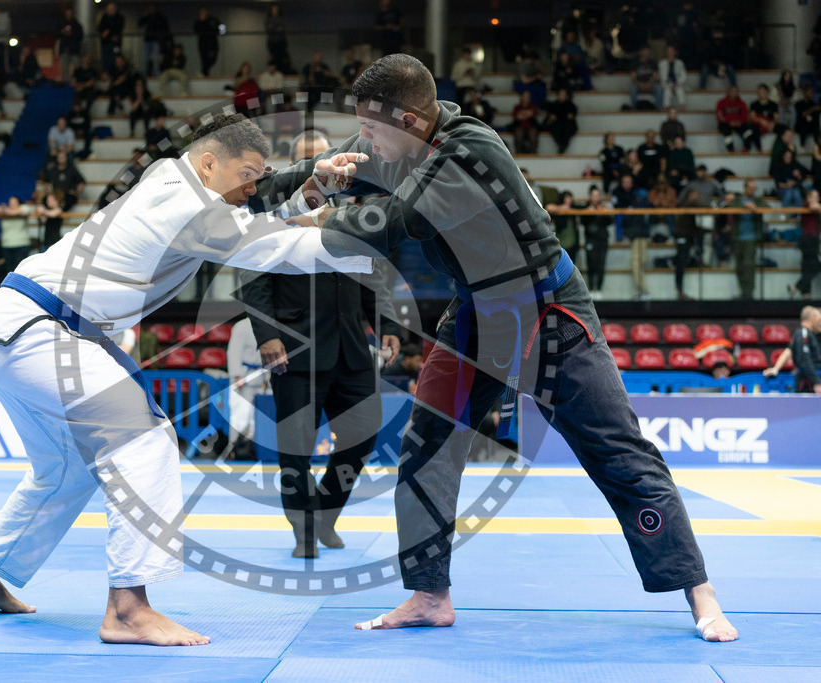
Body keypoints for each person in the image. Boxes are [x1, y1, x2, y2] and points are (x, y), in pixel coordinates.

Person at [268, 54, 737, 641]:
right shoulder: (400, 140)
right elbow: (342, 165)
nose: (361, 138)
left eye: (369, 127)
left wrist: (297, 227)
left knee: (617, 451)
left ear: (410, 119)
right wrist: (293, 180)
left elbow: (391, 221)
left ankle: (700, 592)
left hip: (544, 312)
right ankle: (429, 594)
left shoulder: (469, 153)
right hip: (474, 314)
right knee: (427, 447)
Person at [0, 113, 372, 645]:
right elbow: (268, 246)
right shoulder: (181, 202)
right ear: (210, 162)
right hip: (42, 329)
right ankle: (127, 609)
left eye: (259, 177)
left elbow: (254, 216)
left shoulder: (178, 183)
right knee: (144, 441)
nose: (252, 188)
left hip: (16, 327)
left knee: (68, 467)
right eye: (247, 174)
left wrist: (309, 185)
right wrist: (364, 238)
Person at [240, 130, 400, 558]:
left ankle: (326, 511)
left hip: (350, 346)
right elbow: (251, 280)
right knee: (295, 448)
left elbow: (373, 274)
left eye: (327, 157)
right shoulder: (271, 219)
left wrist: (386, 324)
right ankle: (303, 530)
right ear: (295, 169)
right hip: (294, 349)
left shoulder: (351, 216)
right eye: (311, 160)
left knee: (362, 436)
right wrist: (267, 335)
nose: (324, 165)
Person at [225, 317, 265, 459]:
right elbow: (233, 352)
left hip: (260, 375)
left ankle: (252, 449)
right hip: (243, 375)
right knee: (239, 415)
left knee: (256, 418)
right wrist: (236, 375)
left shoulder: (266, 323)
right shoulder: (241, 326)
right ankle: (233, 448)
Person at [764, 307, 821, 393]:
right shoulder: (803, 334)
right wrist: (817, 382)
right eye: (819, 319)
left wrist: (776, 368)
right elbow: (804, 360)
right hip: (808, 382)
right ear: (812, 318)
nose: (820, 323)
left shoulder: (807, 334)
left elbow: (788, 351)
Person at [731, 180, 763, 300]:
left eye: (754, 188)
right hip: (738, 237)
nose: (753, 191)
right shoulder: (737, 200)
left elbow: (767, 208)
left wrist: (755, 208)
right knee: (739, 266)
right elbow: (731, 207)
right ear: (745, 188)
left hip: (751, 237)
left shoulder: (758, 200)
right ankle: (743, 292)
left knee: (748, 265)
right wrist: (744, 206)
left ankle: (749, 293)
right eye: (750, 188)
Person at [581, 186, 612, 300]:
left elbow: (609, 222)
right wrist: (588, 212)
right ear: (590, 196)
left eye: (597, 195)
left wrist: (603, 213)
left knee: (601, 264)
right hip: (590, 239)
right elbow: (583, 222)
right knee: (591, 264)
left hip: (602, 240)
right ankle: (591, 289)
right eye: (593, 195)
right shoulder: (585, 208)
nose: (595, 197)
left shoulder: (603, 208)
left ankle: (599, 289)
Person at [791, 189, 820, 299]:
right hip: (809, 239)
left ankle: (806, 294)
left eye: (818, 197)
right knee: (814, 266)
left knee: (807, 268)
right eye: (814, 196)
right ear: (808, 197)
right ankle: (796, 287)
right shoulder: (808, 205)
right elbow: (814, 207)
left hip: (810, 239)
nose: (817, 199)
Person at [716, 86, 752, 153]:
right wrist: (729, 122)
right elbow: (720, 115)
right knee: (725, 130)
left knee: (748, 130)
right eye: (732, 91)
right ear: (728, 92)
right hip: (726, 124)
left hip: (739, 123)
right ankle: (731, 149)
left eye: (736, 91)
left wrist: (739, 122)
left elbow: (745, 115)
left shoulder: (742, 103)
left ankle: (746, 148)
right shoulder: (721, 102)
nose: (734, 93)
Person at [543, 89, 577, 155]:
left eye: (564, 94)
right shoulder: (554, 105)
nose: (562, 96)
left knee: (567, 128)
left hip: (567, 124)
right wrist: (551, 118)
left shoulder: (570, 105)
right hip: (557, 125)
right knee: (555, 128)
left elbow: (572, 115)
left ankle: (562, 145)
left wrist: (570, 116)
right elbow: (550, 117)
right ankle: (562, 145)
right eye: (561, 94)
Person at [137, 3, 167, 77]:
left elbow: (163, 27)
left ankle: (155, 73)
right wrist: (144, 16)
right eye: (150, 8)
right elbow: (140, 24)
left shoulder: (160, 16)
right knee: (146, 58)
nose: (151, 10)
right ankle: (145, 73)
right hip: (148, 39)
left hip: (156, 40)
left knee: (155, 58)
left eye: (152, 8)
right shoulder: (148, 16)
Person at [748, 84, 778, 153]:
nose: (761, 93)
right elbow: (752, 117)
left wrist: (772, 124)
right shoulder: (754, 104)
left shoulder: (773, 104)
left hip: (770, 124)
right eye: (759, 92)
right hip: (758, 125)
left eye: (763, 91)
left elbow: (776, 118)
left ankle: (775, 149)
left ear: (767, 92)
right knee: (754, 129)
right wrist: (761, 121)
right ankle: (759, 149)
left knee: (783, 129)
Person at [630, 46, 662, 110]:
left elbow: (655, 76)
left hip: (650, 84)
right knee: (633, 88)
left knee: (659, 88)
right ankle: (633, 109)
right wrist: (640, 84)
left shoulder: (653, 62)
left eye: (648, 51)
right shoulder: (635, 62)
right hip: (639, 84)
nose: (647, 52)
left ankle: (657, 109)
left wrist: (649, 83)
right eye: (645, 51)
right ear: (641, 52)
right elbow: (633, 77)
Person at [98, 1, 125, 73]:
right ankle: (106, 74)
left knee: (116, 60)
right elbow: (100, 29)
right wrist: (104, 34)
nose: (110, 11)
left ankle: (115, 74)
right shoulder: (104, 17)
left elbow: (118, 29)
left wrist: (108, 33)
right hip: (105, 43)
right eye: (108, 9)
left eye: (111, 9)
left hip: (115, 44)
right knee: (106, 61)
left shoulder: (119, 18)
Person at [57, 8, 84, 82]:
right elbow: (57, 35)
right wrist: (63, 32)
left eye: (70, 13)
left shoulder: (77, 25)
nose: (68, 15)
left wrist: (72, 34)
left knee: (76, 67)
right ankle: (67, 83)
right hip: (64, 49)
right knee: (65, 68)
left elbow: (80, 36)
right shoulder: (61, 24)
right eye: (67, 13)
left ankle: (76, 82)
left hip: (74, 50)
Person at [193, 7, 220, 78]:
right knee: (204, 59)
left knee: (213, 58)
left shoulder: (213, 20)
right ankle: (205, 74)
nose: (203, 14)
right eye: (201, 13)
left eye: (204, 12)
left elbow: (221, 27)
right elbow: (195, 30)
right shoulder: (198, 22)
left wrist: (220, 32)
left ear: (207, 12)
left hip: (212, 43)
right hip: (202, 43)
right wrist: (201, 21)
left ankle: (204, 72)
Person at [511, 90, 539, 154]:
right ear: (522, 97)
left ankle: (533, 152)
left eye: (528, 96)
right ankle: (519, 152)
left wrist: (523, 114)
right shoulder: (517, 107)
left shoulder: (533, 106)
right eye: (525, 96)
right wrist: (527, 114)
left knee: (533, 132)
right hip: (520, 126)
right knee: (519, 132)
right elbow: (517, 116)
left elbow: (532, 113)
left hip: (530, 126)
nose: (526, 98)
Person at [265, 4, 290, 74]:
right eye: (273, 10)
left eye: (276, 10)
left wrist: (275, 28)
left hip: (281, 42)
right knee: (273, 59)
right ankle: (272, 74)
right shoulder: (268, 19)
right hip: (272, 42)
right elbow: (269, 29)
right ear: (271, 11)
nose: (275, 11)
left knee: (282, 59)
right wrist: (276, 29)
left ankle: (282, 73)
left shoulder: (282, 19)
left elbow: (282, 29)